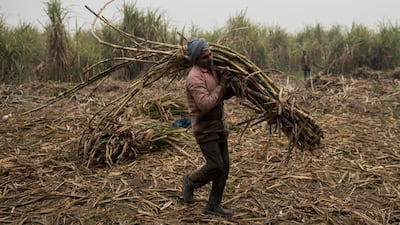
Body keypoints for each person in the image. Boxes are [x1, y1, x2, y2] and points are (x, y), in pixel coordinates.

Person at [182, 37, 235, 217]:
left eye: (210, 54)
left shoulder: (212, 70)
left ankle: (213, 205)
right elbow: (205, 104)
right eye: (205, 57)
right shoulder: (194, 78)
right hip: (204, 129)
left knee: (225, 165)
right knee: (215, 165)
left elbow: (221, 96)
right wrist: (221, 86)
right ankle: (190, 181)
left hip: (219, 125)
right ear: (196, 59)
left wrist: (231, 87)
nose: (210, 58)